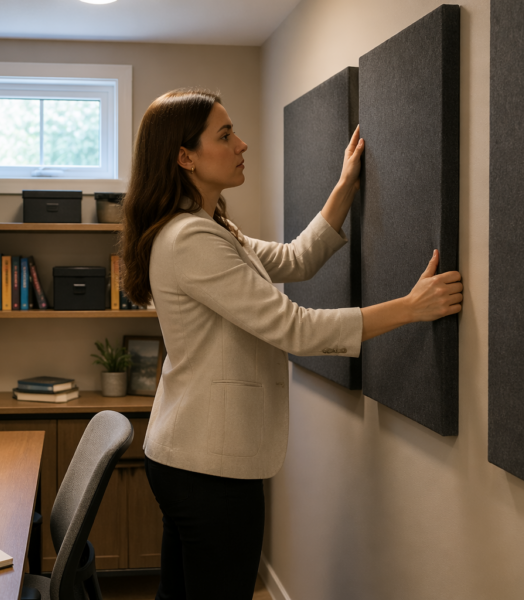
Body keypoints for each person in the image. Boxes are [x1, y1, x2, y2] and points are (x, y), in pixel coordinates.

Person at [119, 88, 463, 599]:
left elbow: (295, 259)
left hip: (188, 457)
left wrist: (345, 186)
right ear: (184, 156)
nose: (242, 144)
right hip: (207, 467)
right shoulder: (190, 240)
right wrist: (409, 308)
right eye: (225, 134)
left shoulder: (209, 228)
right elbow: (295, 327)